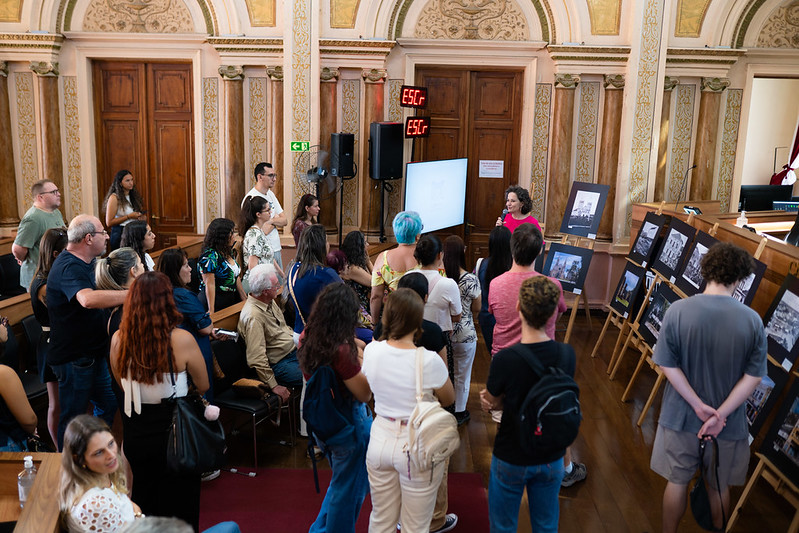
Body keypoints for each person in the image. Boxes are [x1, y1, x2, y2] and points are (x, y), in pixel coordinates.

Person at [651, 242, 767, 533]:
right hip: (726, 426)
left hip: (680, 417)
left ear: (706, 271)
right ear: (739, 278)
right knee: (718, 487)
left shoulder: (678, 311)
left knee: (676, 482)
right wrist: (719, 415)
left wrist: (697, 406)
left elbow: (667, 365)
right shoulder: (752, 320)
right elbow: (753, 377)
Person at [109, 272, 210, 530]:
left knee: (146, 501)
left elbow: (121, 383)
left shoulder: (119, 339)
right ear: (167, 301)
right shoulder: (182, 339)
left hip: (139, 432)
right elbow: (204, 384)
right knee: (182, 506)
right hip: (176, 435)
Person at [480, 276, 577, 533]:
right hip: (551, 454)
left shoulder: (505, 360)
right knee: (546, 525)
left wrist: (488, 403)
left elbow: (493, 401)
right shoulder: (566, 355)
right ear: (553, 314)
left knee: (503, 526)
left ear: (519, 309)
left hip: (512, 452)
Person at [362, 288, 455, 533]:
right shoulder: (428, 359)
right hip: (415, 443)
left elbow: (368, 390)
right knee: (416, 525)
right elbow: (448, 398)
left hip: (380, 437)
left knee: (381, 518)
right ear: (418, 320)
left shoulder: (372, 352)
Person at [47, 215, 127, 449]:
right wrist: (134, 294)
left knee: (109, 403)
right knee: (73, 418)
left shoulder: (88, 262)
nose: (107, 237)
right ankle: (67, 469)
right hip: (74, 358)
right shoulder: (68, 266)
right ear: (89, 238)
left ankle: (90, 451)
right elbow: (87, 299)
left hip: (93, 353)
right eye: (103, 232)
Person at [297, 283, 372, 532]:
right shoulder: (341, 351)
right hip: (348, 424)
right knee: (348, 491)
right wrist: (361, 355)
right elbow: (364, 393)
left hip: (323, 422)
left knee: (342, 482)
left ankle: (319, 529)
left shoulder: (307, 337)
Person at [60, 414, 141, 532]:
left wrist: (136, 514)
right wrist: (137, 514)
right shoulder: (95, 505)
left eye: (111, 443)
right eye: (99, 452)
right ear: (79, 459)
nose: (112, 455)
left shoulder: (102, 475)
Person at [238, 263, 303, 401]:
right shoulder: (253, 317)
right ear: (265, 291)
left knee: (329, 362)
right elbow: (257, 358)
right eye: (275, 285)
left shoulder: (268, 300)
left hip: (294, 350)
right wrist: (273, 385)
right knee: (318, 374)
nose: (279, 286)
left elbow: (283, 330)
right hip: (281, 363)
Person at [158, 248, 216, 401]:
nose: (190, 269)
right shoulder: (183, 295)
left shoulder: (160, 292)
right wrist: (210, 328)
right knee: (201, 400)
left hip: (172, 356)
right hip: (193, 351)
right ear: (175, 271)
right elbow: (205, 327)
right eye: (185, 265)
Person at [29, 226, 68, 445]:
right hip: (50, 342)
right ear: (55, 254)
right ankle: (58, 449)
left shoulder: (55, 275)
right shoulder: (42, 284)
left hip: (61, 340)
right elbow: (63, 311)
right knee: (57, 404)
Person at [443, 235, 481, 426]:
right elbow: (477, 308)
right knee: (463, 375)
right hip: (465, 334)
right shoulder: (471, 279)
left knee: (445, 372)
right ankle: (459, 411)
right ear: (463, 252)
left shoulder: (441, 278)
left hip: (444, 332)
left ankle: (445, 407)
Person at [287, 224, 342, 342]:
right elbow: (346, 303)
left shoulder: (293, 270)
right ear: (320, 246)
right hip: (321, 337)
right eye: (326, 240)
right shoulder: (326, 274)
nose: (329, 244)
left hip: (299, 333)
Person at [370, 211, 422, 326]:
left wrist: (375, 324)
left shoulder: (382, 258)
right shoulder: (428, 256)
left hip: (394, 320)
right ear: (417, 236)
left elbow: (375, 296)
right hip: (423, 319)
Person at [12, 179, 65, 291]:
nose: (59, 194)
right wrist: (27, 259)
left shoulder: (56, 212)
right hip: (38, 278)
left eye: (58, 191)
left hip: (54, 272)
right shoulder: (33, 218)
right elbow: (17, 249)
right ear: (40, 197)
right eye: (54, 192)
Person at [242, 162, 288, 269]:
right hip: (262, 253)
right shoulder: (251, 197)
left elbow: (285, 220)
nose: (274, 179)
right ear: (260, 177)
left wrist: (270, 221)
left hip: (275, 248)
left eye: (275, 175)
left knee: (280, 284)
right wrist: (275, 219)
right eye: (271, 175)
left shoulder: (270, 194)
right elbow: (259, 230)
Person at [475, 226, 512, 355]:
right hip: (508, 318)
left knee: (494, 353)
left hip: (486, 316)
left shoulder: (482, 264)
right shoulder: (513, 266)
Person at [198, 218, 245, 314]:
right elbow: (209, 284)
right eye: (231, 233)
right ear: (222, 236)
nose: (234, 236)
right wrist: (211, 310)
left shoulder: (227, 251)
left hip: (230, 297)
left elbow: (236, 276)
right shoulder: (210, 256)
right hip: (215, 300)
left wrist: (244, 298)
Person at [0, 335, 38, 450]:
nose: (4, 326)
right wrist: (32, 430)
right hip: (9, 446)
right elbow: (29, 421)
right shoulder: (3, 374)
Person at [240, 195, 283, 294]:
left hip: (264, 282)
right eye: (267, 210)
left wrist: (282, 275)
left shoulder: (259, 231)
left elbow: (269, 257)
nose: (270, 212)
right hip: (257, 286)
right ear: (258, 214)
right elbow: (252, 266)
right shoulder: (254, 235)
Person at [339, 230, 374, 336]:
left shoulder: (355, 264)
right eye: (365, 243)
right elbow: (376, 282)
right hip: (358, 312)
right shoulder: (352, 269)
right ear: (358, 247)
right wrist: (368, 261)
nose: (368, 245)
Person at [103, 170, 145, 251]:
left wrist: (140, 218)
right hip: (120, 233)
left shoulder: (133, 196)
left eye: (132, 180)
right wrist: (129, 217)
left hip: (134, 231)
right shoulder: (114, 197)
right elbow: (109, 222)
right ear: (120, 183)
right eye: (127, 180)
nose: (131, 183)